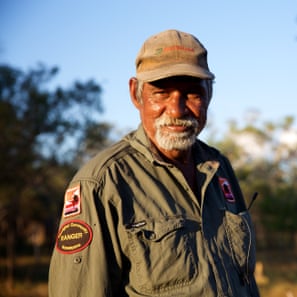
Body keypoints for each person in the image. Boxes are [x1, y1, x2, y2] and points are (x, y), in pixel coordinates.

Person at [48, 29, 260, 297]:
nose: (177, 110)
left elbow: (245, 280)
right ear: (136, 94)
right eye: (161, 93)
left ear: (209, 94)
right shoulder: (100, 184)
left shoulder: (219, 167)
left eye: (193, 94)